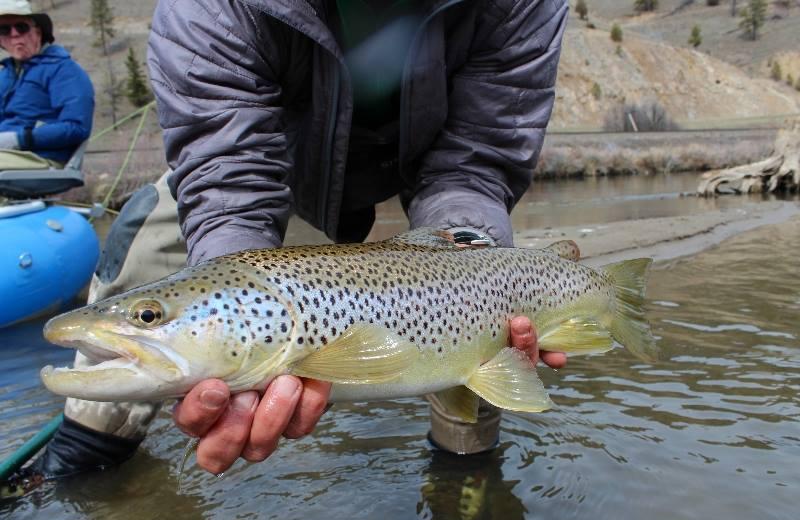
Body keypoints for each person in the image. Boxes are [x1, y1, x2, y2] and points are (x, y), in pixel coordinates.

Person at [20, 0, 569, 480]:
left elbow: (475, 162)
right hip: (275, 164)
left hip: (437, 164)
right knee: (152, 232)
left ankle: (464, 474)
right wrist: (226, 309)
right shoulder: (211, 7)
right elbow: (227, 177)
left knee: (482, 306)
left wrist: (468, 248)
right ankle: (88, 451)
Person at [0, 0, 93, 171]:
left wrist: (18, 139)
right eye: (4, 29)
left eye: (21, 27)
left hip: (44, 159)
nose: (14, 34)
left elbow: (77, 127)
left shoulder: (64, 70)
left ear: (38, 32)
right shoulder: (4, 76)